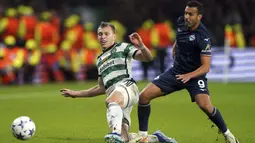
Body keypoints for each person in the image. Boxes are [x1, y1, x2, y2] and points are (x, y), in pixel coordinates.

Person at [136, 1, 239, 143]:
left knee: (205, 106)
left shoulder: (203, 37)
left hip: (195, 75)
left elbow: (206, 67)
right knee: (143, 96)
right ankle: (142, 136)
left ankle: (228, 135)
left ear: (199, 17)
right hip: (176, 72)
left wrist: (189, 76)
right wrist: (175, 46)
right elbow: (180, 35)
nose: (186, 17)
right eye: (186, 13)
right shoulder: (181, 22)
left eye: (191, 14)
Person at [60, 21, 176, 143]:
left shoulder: (123, 47)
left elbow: (147, 58)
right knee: (124, 139)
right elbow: (101, 88)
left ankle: (114, 133)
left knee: (111, 101)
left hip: (127, 87)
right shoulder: (100, 60)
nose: (103, 37)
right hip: (115, 97)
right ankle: (156, 138)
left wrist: (141, 46)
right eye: (100, 34)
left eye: (106, 34)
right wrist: (76, 94)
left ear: (114, 36)